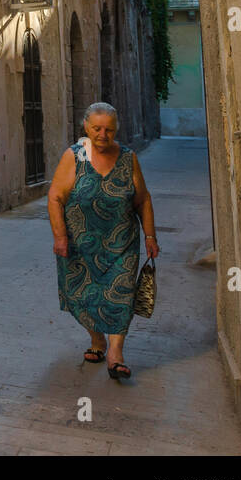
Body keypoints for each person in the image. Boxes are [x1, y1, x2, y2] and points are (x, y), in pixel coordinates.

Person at [47, 102, 160, 380]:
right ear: (85, 126)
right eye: (96, 128)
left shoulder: (128, 158)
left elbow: (143, 199)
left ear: (116, 129)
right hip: (79, 246)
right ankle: (97, 341)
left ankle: (115, 354)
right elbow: (55, 198)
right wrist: (60, 236)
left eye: (108, 129)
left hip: (122, 245)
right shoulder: (74, 157)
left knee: (120, 295)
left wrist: (150, 235)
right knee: (82, 296)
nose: (102, 134)